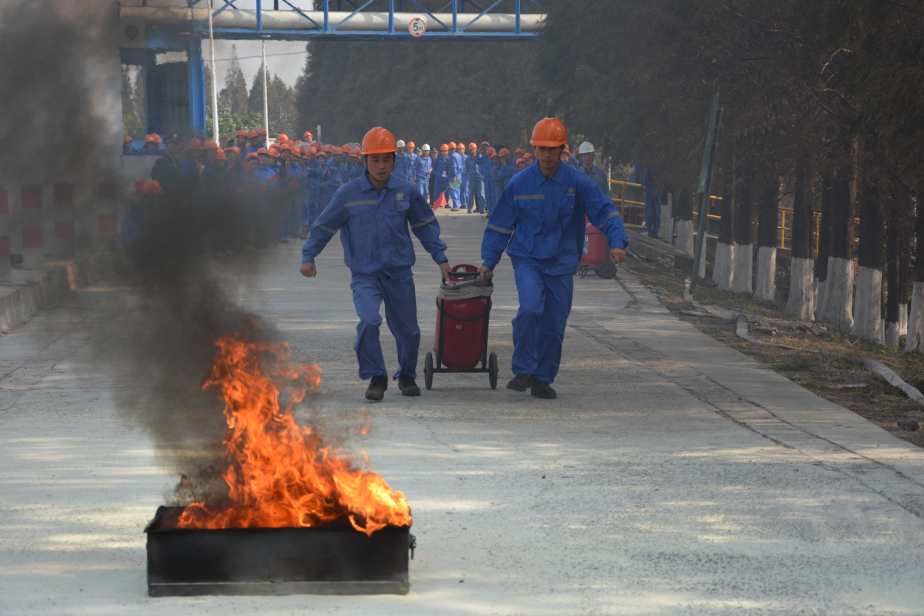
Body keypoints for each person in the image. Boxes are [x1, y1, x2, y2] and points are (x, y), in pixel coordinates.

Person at [478, 118, 629, 399]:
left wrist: (617, 242)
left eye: (553, 149)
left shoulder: (577, 183)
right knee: (531, 310)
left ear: (563, 150)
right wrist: (489, 261)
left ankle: (542, 378)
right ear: (535, 149)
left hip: (561, 262)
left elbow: (605, 211)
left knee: (555, 323)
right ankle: (523, 370)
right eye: (542, 149)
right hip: (528, 259)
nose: (547, 155)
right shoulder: (520, 183)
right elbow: (500, 224)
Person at [300, 127, 452, 401]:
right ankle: (376, 376)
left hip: (399, 273)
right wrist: (308, 256)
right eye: (375, 160)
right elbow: (323, 226)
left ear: (395, 160)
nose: (381, 166)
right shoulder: (348, 194)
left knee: (408, 330)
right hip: (365, 275)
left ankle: (407, 375)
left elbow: (425, 226)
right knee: (369, 321)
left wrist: (441, 259)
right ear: (365, 161)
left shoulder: (406, 190)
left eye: (386, 160)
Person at [448, 142, 464, 211]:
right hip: (459, 174)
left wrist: (454, 176)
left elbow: (454, 167)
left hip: (454, 175)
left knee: (453, 190)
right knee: (457, 190)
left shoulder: (452, 156)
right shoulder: (459, 155)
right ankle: (457, 205)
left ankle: (456, 205)